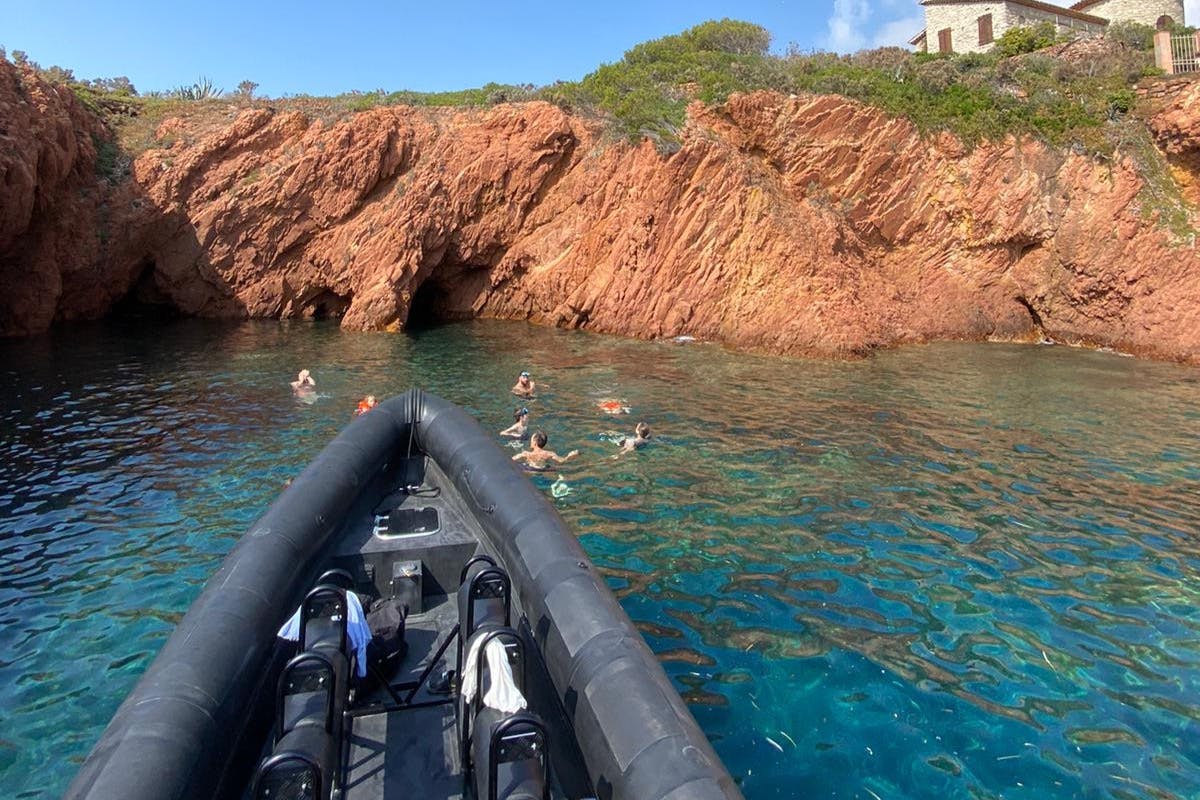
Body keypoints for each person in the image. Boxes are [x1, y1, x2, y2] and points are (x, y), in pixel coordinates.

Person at [512, 431, 578, 471]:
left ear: (535, 442)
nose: (530, 442)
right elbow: (562, 461)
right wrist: (569, 456)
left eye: (531, 440)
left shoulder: (526, 454)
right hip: (544, 470)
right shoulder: (550, 454)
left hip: (530, 470)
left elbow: (511, 460)